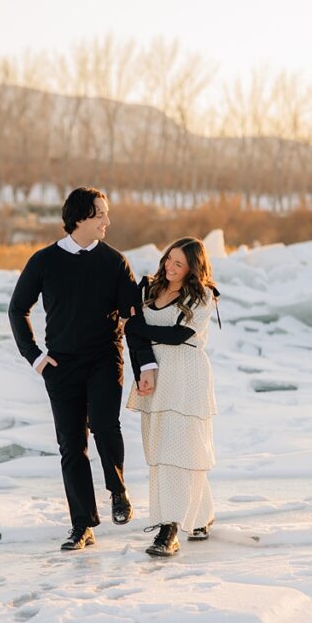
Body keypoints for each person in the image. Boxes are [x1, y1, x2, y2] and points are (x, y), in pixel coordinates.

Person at [8, 187, 159, 552]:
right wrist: (37, 359)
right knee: (71, 447)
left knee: (105, 426)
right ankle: (82, 526)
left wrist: (145, 363)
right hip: (61, 366)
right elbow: (17, 310)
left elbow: (131, 318)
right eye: (101, 214)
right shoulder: (44, 261)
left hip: (105, 358)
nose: (108, 220)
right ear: (81, 218)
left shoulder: (114, 262)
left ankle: (118, 490)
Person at [125, 237, 220, 557]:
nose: (170, 267)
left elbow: (179, 335)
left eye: (179, 264)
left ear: (193, 268)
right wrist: (142, 366)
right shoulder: (148, 289)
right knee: (165, 450)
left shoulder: (203, 296)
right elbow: (132, 333)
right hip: (155, 374)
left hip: (187, 375)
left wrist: (137, 328)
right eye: (168, 259)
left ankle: (170, 528)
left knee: (182, 447)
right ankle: (202, 515)